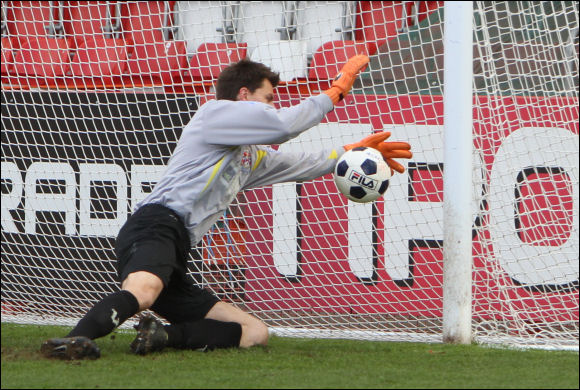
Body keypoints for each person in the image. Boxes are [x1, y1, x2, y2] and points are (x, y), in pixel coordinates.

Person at [40, 55, 412, 360]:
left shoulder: (249, 155)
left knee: (253, 332)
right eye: (268, 99)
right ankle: (73, 340)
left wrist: (349, 154)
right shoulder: (214, 114)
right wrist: (336, 90)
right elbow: (283, 126)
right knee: (145, 289)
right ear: (244, 95)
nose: (273, 107)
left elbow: (299, 164)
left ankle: (160, 337)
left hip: (178, 247)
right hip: (155, 225)